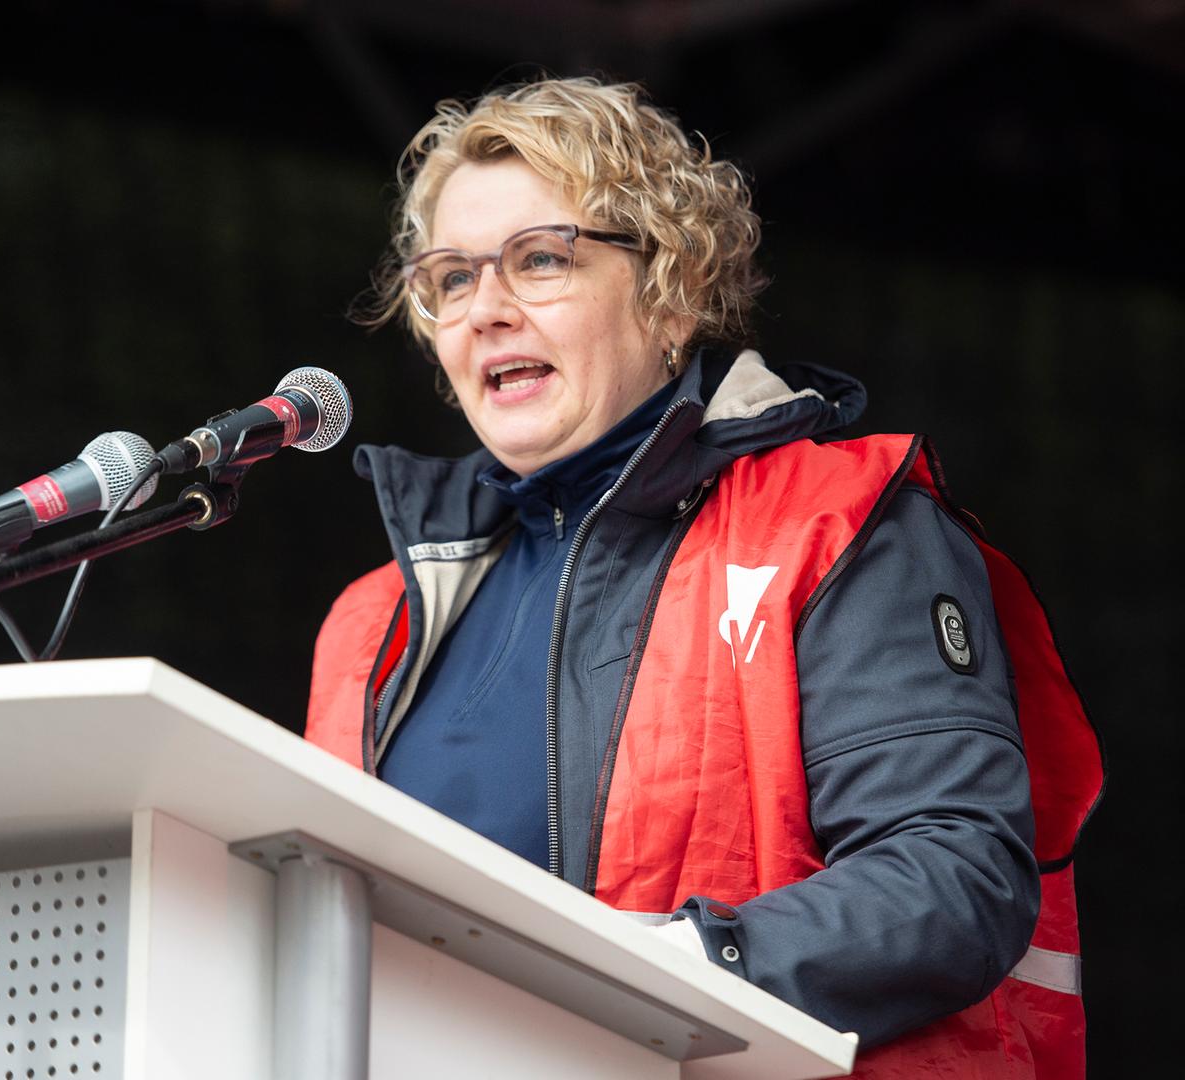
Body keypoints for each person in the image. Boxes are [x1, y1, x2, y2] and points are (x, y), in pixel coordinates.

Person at [304, 76, 1103, 1077]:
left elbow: (951, 878)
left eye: (541, 259)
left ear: (670, 291)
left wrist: (674, 973)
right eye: (451, 280)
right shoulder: (368, 623)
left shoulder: (839, 522)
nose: (488, 310)